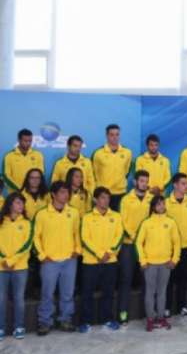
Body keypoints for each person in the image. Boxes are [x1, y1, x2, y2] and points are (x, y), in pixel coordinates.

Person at [34, 181, 80, 335]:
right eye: (62, 192)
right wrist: (42, 255)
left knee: (68, 293)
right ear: (53, 194)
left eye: (67, 192)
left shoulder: (73, 212)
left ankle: (65, 319)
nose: (65, 195)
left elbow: (77, 234)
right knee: (47, 293)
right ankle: (45, 322)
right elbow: (35, 237)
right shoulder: (42, 214)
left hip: (69, 260)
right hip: (50, 261)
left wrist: (77, 250)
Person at [79, 187, 123, 332]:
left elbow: (119, 236)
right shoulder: (87, 217)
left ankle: (108, 319)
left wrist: (109, 253)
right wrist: (99, 254)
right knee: (87, 292)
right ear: (96, 199)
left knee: (108, 292)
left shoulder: (116, 216)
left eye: (108, 198)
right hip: (91, 262)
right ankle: (85, 321)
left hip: (110, 261)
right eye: (103, 197)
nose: (106, 201)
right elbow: (85, 238)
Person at [164, 173, 187, 317]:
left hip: (186, 246)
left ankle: (182, 306)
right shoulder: (166, 203)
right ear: (175, 185)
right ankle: (166, 307)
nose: (186, 186)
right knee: (168, 279)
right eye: (183, 184)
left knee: (183, 278)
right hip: (170, 248)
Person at [0, 193, 32, 339]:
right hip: (1, 267)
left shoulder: (26, 223)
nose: (21, 206)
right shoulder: (1, 222)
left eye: (22, 203)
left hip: (20, 268)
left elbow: (27, 246)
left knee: (19, 298)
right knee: (1, 298)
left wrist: (11, 261)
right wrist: (4, 260)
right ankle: (1, 328)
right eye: (18, 203)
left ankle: (19, 326)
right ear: (10, 204)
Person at [92, 124, 133, 210]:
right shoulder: (98, 153)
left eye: (117, 134)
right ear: (107, 136)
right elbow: (93, 173)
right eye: (112, 135)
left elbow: (127, 171)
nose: (115, 137)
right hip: (103, 194)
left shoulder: (127, 152)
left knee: (118, 220)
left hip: (121, 193)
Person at [3, 128, 44, 193]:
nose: (28, 143)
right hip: (16, 193)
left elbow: (40, 173)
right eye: (25, 141)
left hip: (33, 192)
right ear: (19, 140)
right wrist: (19, 188)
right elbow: (6, 176)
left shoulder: (38, 155)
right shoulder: (9, 156)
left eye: (30, 141)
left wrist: (32, 188)